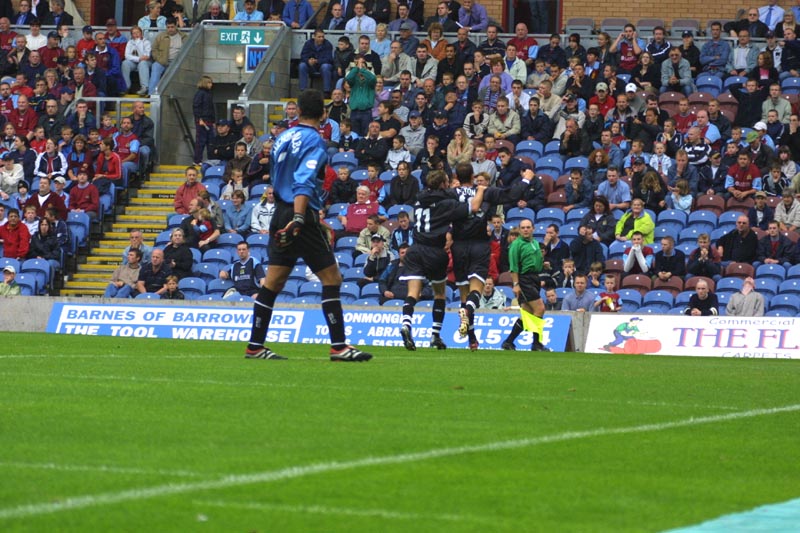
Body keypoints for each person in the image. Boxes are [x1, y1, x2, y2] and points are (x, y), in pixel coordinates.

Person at [245, 89, 372, 362]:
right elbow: (303, 180)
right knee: (332, 278)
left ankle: (255, 346)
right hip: (299, 215)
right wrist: (300, 217)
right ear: (323, 114)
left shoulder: (282, 137)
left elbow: (278, 175)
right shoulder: (315, 140)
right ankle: (339, 346)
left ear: (299, 111)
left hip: (280, 212)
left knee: (273, 282)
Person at [398, 170, 486, 351]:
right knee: (439, 294)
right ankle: (435, 335)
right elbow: (473, 207)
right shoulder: (447, 204)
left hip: (415, 250)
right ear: (442, 184)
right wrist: (480, 190)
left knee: (413, 293)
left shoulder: (419, 199)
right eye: (447, 182)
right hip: (435, 252)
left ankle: (406, 324)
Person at [499, 218, 550, 351]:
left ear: (533, 228)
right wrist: (516, 284)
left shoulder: (535, 243)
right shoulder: (516, 245)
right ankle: (536, 343)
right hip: (524, 279)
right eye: (523, 228)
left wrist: (542, 264)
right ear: (520, 230)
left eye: (528, 227)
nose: (526, 230)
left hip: (534, 277)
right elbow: (514, 266)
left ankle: (508, 342)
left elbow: (533, 260)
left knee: (527, 313)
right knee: (540, 308)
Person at [149, 19, 186, 96]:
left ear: (176, 26)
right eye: (168, 27)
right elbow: (154, 49)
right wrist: (159, 59)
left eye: (172, 27)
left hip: (176, 63)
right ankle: (152, 95)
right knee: (155, 67)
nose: (170, 29)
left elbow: (188, 50)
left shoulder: (183, 37)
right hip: (161, 61)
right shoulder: (160, 36)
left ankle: (176, 95)